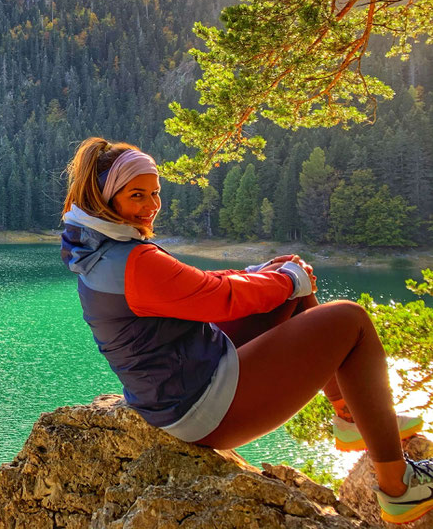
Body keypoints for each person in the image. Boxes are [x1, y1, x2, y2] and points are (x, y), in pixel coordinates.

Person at [60, 137, 432, 525]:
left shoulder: (99, 248)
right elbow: (219, 297)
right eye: (137, 195)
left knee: (286, 268)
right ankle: (398, 487)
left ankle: (350, 416)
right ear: (105, 198)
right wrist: (287, 283)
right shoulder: (134, 260)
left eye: (155, 193)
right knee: (350, 319)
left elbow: (195, 284)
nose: (151, 206)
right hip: (199, 407)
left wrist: (267, 274)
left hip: (177, 383)